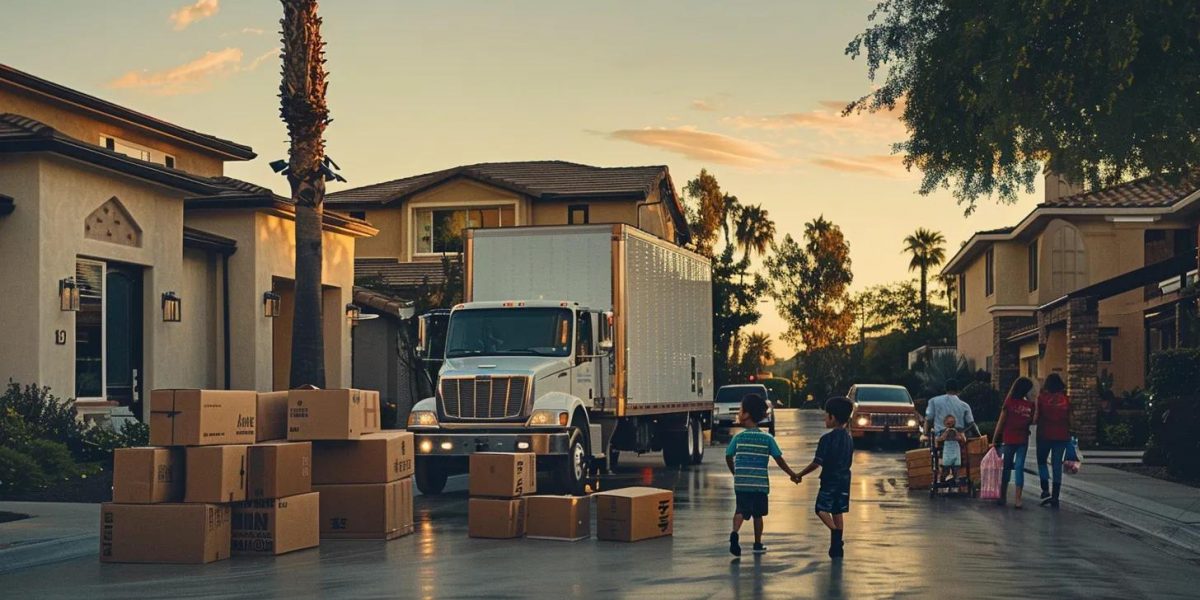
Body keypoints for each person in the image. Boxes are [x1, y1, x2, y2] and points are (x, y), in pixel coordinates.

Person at [725, 393, 799, 557]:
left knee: (740, 511)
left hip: (742, 483)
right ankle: (757, 543)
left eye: (740, 409)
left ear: (746, 414)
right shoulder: (767, 438)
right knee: (758, 514)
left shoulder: (739, 437)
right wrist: (792, 474)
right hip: (759, 485)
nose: (738, 412)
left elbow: (728, 456)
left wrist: (735, 473)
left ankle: (735, 533)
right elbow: (779, 459)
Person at [797, 397, 855, 559]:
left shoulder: (826, 440)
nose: (824, 418)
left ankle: (835, 534)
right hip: (844, 479)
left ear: (833, 417)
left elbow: (817, 463)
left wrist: (799, 475)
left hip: (829, 479)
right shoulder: (849, 439)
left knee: (820, 509)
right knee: (838, 510)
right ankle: (837, 545)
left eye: (826, 415)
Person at [992, 377, 1036, 508]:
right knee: (1016, 467)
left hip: (1011, 439)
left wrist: (994, 440)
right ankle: (1016, 499)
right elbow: (1031, 421)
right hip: (1019, 439)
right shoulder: (1028, 405)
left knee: (1010, 467)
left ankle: (1004, 497)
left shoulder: (1010, 403)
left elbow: (1001, 422)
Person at [1036, 373, 1071, 508]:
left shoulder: (1042, 399)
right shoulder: (1066, 400)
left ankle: (1045, 488)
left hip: (1044, 434)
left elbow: (1037, 417)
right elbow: (1070, 418)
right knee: (1057, 465)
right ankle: (1055, 496)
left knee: (1042, 461)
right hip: (1062, 435)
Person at [937, 414, 965, 482]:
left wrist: (955, 432)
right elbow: (940, 439)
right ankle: (943, 480)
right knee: (946, 468)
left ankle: (956, 480)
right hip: (947, 451)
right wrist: (947, 432)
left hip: (955, 451)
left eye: (952, 423)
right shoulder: (943, 431)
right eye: (949, 423)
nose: (951, 425)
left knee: (956, 468)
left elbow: (961, 439)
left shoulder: (958, 429)